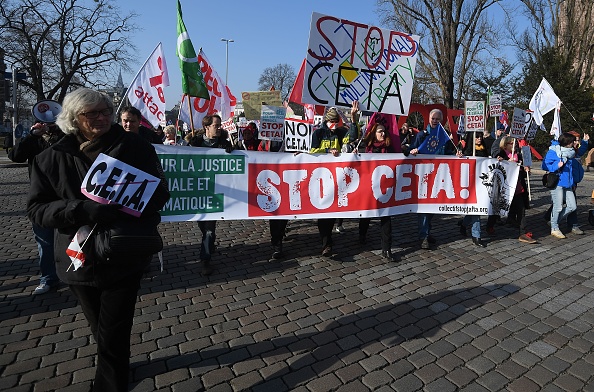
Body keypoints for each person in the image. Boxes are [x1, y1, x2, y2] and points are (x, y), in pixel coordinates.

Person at [27, 88, 170, 391]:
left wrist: (126, 204)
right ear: (73, 119)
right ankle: (117, 362)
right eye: (92, 113)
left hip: (124, 251)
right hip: (77, 258)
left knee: (114, 329)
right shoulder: (49, 158)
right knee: (100, 328)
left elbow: (160, 194)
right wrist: (79, 209)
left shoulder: (135, 146)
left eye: (105, 111)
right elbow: (38, 209)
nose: (102, 118)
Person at [9, 121, 64, 294]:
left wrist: (56, 132)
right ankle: (48, 278)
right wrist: (31, 136)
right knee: (44, 242)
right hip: (41, 197)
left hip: (64, 194)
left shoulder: (64, 136)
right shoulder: (33, 140)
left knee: (70, 237)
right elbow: (15, 156)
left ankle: (75, 275)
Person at [309, 101, 360, 257]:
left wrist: (353, 118)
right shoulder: (317, 134)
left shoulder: (339, 132)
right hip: (320, 178)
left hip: (335, 179)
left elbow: (352, 136)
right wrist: (326, 150)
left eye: (335, 121)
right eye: (331, 121)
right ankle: (326, 242)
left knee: (330, 213)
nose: (333, 124)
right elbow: (311, 151)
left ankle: (328, 243)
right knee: (322, 213)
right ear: (326, 121)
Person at [408, 108, 462, 249]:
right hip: (424, 177)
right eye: (433, 119)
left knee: (433, 207)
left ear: (441, 121)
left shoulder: (444, 137)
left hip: (439, 177)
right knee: (424, 208)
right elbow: (411, 150)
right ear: (429, 119)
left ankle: (427, 231)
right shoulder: (421, 135)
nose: (435, 121)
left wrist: (457, 155)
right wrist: (412, 151)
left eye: (438, 119)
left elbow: (449, 153)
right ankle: (423, 236)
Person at [188, 114, 233, 274]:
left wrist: (232, 152)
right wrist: (189, 148)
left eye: (220, 125)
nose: (220, 128)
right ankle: (209, 243)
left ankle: (205, 260)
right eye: (216, 125)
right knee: (203, 225)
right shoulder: (195, 143)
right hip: (199, 191)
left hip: (216, 194)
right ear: (206, 127)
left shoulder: (224, 144)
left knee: (209, 229)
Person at [358, 122, 399, 261]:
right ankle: (362, 235)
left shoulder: (390, 149)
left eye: (384, 131)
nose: (383, 134)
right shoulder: (366, 148)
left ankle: (386, 249)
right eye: (379, 131)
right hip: (369, 189)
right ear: (374, 133)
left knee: (386, 219)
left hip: (385, 190)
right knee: (366, 215)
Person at [495, 136, 537, 243]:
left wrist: (525, 169)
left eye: (515, 143)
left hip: (517, 187)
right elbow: (496, 167)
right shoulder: (501, 154)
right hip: (505, 188)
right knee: (496, 209)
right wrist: (505, 161)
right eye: (511, 143)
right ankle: (492, 224)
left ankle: (523, 233)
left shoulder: (518, 155)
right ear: (505, 145)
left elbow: (521, 169)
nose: (514, 144)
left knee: (521, 209)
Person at [542, 132, 579, 238]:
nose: (574, 143)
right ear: (567, 142)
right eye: (573, 141)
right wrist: (556, 165)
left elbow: (571, 170)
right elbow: (544, 165)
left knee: (572, 206)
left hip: (568, 183)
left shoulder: (571, 153)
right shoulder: (553, 151)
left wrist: (573, 182)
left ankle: (554, 221)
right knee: (557, 207)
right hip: (557, 182)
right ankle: (554, 228)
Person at [258, 138, 289, 259]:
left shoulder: (290, 138)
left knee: (285, 213)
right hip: (270, 180)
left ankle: (280, 233)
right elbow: (257, 153)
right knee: (274, 214)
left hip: (286, 180)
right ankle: (277, 244)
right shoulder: (265, 141)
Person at [459, 132, 488, 247]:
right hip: (470, 184)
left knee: (475, 208)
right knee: (476, 209)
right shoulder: (467, 152)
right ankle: (476, 235)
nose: (479, 139)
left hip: (482, 182)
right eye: (477, 137)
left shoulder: (484, 149)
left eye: (480, 136)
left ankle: (464, 224)